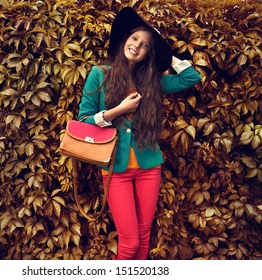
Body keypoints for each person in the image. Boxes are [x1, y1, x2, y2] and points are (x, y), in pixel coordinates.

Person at [77, 7, 201, 260]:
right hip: (115, 170)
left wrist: (166, 54)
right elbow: (84, 121)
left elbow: (191, 76)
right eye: (134, 38)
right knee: (130, 242)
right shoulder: (99, 74)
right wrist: (117, 110)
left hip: (148, 167)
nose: (136, 46)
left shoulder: (152, 81)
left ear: (148, 54)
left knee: (144, 237)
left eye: (144, 45)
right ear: (125, 39)